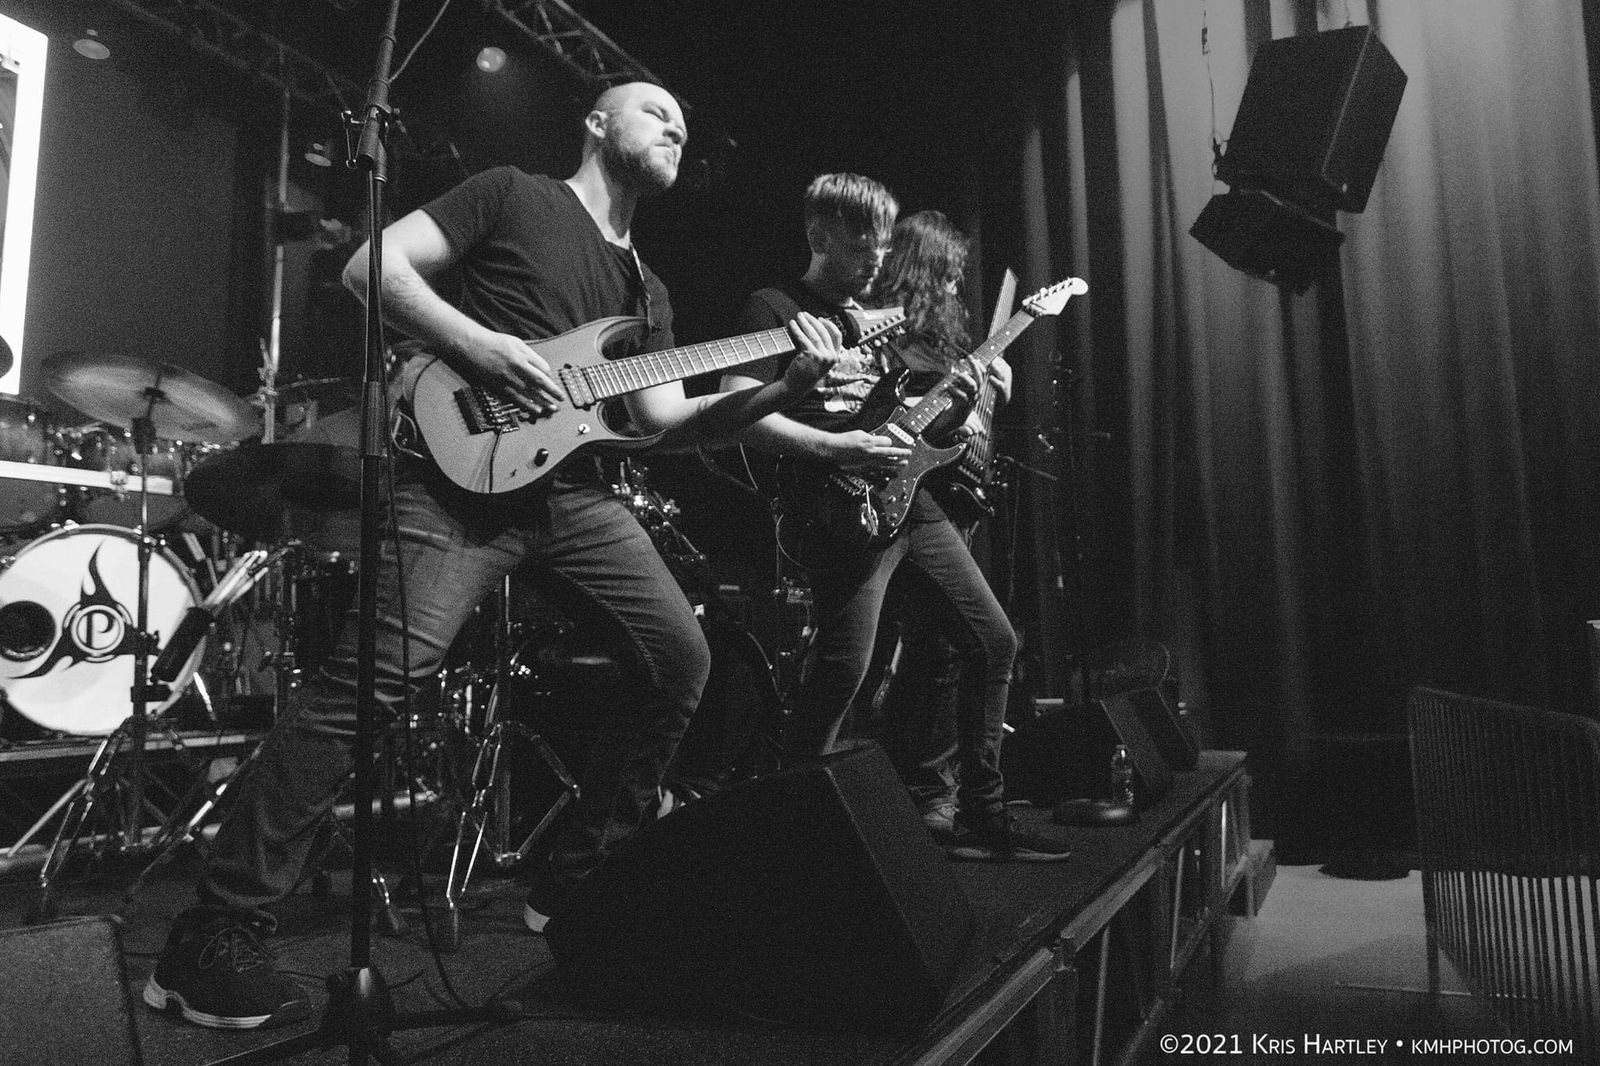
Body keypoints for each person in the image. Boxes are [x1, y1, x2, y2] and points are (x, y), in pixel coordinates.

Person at [142, 80, 847, 1032]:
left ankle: (577, 883)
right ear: (596, 123)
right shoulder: (515, 195)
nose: (677, 126)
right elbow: (371, 268)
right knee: (371, 682)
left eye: (684, 123)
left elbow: (665, 422)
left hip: (576, 495)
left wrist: (783, 389)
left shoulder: (648, 290)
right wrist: (481, 345)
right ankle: (211, 936)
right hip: (456, 479)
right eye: (655, 112)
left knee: (679, 658)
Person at [723, 180, 1068, 862]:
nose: (877, 263)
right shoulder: (775, 308)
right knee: (842, 671)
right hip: (839, 503)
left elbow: (906, 419)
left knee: (993, 641)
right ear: (819, 238)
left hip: (912, 496)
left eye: (883, 248)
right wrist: (835, 448)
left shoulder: (883, 319)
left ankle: (983, 814)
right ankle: (785, 826)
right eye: (862, 248)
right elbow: (738, 413)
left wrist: (959, 406)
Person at [854, 209, 1012, 836]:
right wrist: (954, 406)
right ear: (922, 270)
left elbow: (958, 434)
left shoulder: (949, 347)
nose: (954, 288)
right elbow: (897, 424)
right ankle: (923, 795)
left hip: (947, 501)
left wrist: (992, 393)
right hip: (898, 503)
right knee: (885, 656)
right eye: (946, 275)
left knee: (939, 651)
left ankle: (930, 794)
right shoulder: (889, 337)